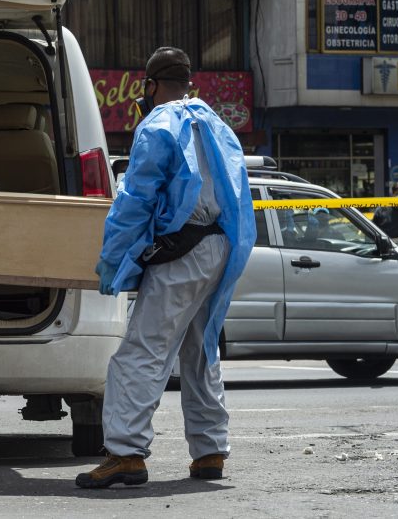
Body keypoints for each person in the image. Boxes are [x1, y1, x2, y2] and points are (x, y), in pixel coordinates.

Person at [76, 47, 255, 489]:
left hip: (180, 253)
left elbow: (135, 201)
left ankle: (125, 454)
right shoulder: (215, 121)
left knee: (141, 353)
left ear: (150, 86)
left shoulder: (156, 125)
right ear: (188, 82)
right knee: (200, 349)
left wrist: (113, 260)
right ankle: (209, 451)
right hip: (219, 247)